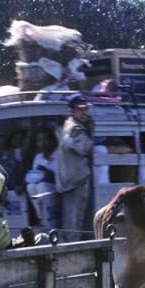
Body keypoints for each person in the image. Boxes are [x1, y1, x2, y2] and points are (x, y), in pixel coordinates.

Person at [56, 94, 95, 240]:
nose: (84, 112)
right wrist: (92, 132)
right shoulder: (74, 128)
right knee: (73, 226)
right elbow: (87, 148)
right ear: (72, 111)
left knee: (76, 223)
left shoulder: (71, 126)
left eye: (85, 109)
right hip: (75, 184)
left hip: (75, 182)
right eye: (80, 110)